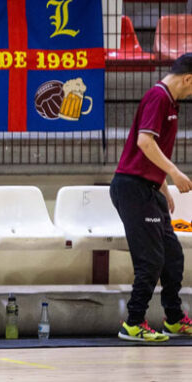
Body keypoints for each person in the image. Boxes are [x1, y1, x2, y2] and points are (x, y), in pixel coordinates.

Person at [111, 53, 192, 342]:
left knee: (173, 255)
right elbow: (144, 142)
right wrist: (175, 174)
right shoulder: (158, 97)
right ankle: (133, 323)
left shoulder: (171, 101)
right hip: (132, 189)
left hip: (149, 187)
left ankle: (173, 319)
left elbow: (151, 151)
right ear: (188, 78)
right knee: (152, 259)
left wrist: (162, 185)